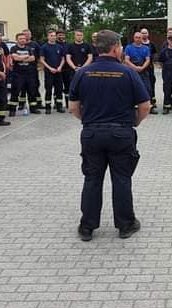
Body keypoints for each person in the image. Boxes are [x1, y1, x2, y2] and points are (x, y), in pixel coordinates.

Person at [68, 29, 150, 241]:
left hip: (92, 133)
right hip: (121, 133)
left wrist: (89, 122)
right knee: (122, 179)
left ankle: (87, 227)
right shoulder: (128, 73)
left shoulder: (82, 73)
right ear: (115, 48)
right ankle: (125, 225)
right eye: (121, 46)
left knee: (92, 179)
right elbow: (145, 106)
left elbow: (73, 107)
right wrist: (135, 123)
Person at [125, 32, 157, 115]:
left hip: (144, 71)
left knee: (147, 89)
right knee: (131, 89)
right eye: (136, 37)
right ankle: (132, 108)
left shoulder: (146, 48)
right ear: (133, 38)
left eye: (139, 37)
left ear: (142, 38)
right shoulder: (129, 47)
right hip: (132, 71)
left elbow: (148, 59)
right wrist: (135, 68)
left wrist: (142, 67)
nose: (138, 39)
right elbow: (127, 60)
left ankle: (149, 107)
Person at [39, 30, 67, 114]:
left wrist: (60, 67)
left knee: (59, 89)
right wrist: (50, 68)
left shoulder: (59, 47)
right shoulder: (44, 47)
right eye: (51, 35)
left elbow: (63, 59)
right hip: (49, 72)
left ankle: (59, 106)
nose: (53, 37)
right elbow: (42, 60)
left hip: (58, 71)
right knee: (48, 90)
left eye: (54, 35)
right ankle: (48, 107)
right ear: (48, 37)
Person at [9, 32, 36, 115]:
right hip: (18, 74)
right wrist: (25, 57)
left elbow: (33, 58)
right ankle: (12, 110)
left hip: (29, 74)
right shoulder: (13, 48)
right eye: (20, 39)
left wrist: (21, 58)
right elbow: (15, 57)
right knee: (15, 92)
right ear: (17, 40)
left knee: (31, 91)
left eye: (24, 38)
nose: (23, 40)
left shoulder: (29, 48)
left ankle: (33, 109)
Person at [65, 30, 93, 108]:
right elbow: (68, 58)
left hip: (85, 71)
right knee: (73, 88)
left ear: (83, 36)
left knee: (85, 88)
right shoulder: (70, 46)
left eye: (81, 35)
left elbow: (90, 58)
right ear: (74, 36)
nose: (79, 36)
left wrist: (83, 68)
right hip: (73, 71)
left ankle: (84, 104)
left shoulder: (87, 46)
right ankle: (73, 105)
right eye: (77, 35)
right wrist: (74, 67)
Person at [23, 29, 43, 113]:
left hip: (33, 70)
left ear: (31, 35)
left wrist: (40, 67)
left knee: (35, 86)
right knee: (22, 88)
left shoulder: (35, 44)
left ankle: (38, 103)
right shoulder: (19, 45)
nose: (27, 36)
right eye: (25, 34)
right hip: (21, 71)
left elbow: (39, 57)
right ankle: (21, 104)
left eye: (28, 34)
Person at [141, 28, 159, 110]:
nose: (144, 34)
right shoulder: (138, 44)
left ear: (148, 34)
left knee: (151, 86)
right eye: (143, 33)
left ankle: (152, 103)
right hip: (140, 69)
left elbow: (155, 55)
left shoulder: (152, 44)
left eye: (145, 33)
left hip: (150, 69)